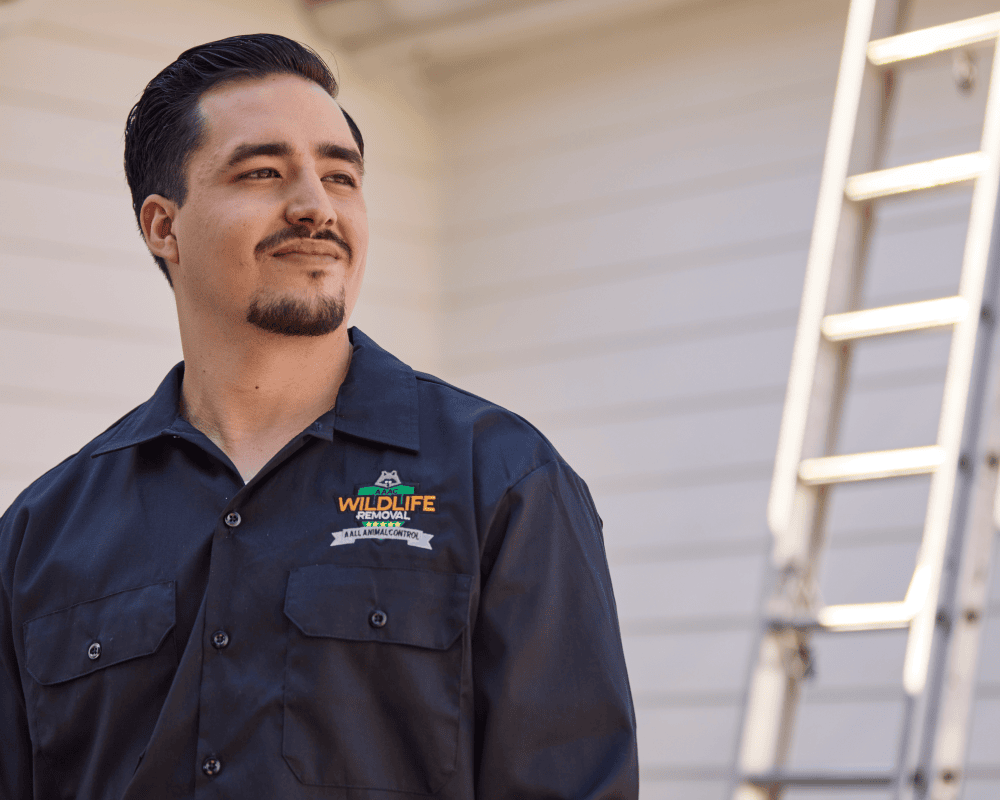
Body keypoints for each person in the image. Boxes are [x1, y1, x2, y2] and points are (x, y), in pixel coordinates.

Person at [0, 33, 638, 799]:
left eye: (341, 177)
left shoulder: (503, 482)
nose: (314, 207)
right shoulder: (43, 533)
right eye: (264, 172)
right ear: (163, 227)